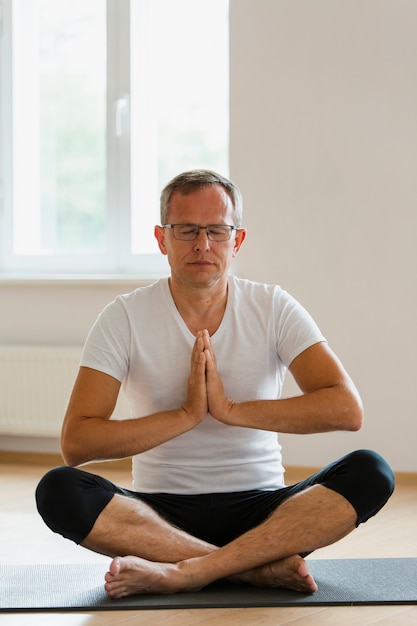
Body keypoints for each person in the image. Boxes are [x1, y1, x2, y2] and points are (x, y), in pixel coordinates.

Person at [36, 169, 394, 599]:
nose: (202, 245)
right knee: (58, 489)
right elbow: (77, 442)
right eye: (186, 230)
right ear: (161, 238)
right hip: (156, 516)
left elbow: (345, 409)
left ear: (237, 241)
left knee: (372, 471)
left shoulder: (273, 306)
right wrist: (186, 415)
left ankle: (187, 571)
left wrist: (231, 411)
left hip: (266, 512)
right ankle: (249, 569)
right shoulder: (124, 317)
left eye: (217, 231)